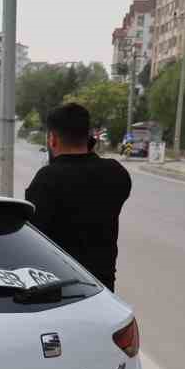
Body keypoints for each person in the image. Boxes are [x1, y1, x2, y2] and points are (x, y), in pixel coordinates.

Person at [25, 102, 132, 290]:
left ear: (52, 139)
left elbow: (33, 240)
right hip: (103, 288)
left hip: (61, 290)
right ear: (89, 137)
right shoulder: (116, 173)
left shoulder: (47, 179)